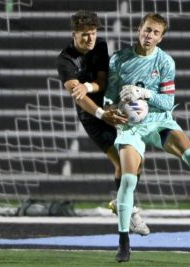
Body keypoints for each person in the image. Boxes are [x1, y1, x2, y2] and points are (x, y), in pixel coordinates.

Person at [104, 13, 190, 262]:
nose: (149, 36)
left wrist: (143, 93)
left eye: (155, 32)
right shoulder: (119, 59)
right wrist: (111, 109)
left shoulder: (165, 62)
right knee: (128, 179)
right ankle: (123, 241)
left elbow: (168, 102)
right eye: (146, 30)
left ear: (161, 37)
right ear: (138, 29)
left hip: (158, 120)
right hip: (131, 127)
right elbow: (109, 95)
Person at [56, 10, 150, 236]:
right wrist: (100, 113)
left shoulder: (99, 46)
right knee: (121, 163)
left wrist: (88, 87)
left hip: (113, 107)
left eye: (93, 33)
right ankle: (127, 210)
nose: (90, 39)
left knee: (137, 162)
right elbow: (78, 97)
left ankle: (120, 204)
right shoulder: (65, 60)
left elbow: (101, 81)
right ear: (74, 34)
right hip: (93, 117)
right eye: (85, 35)